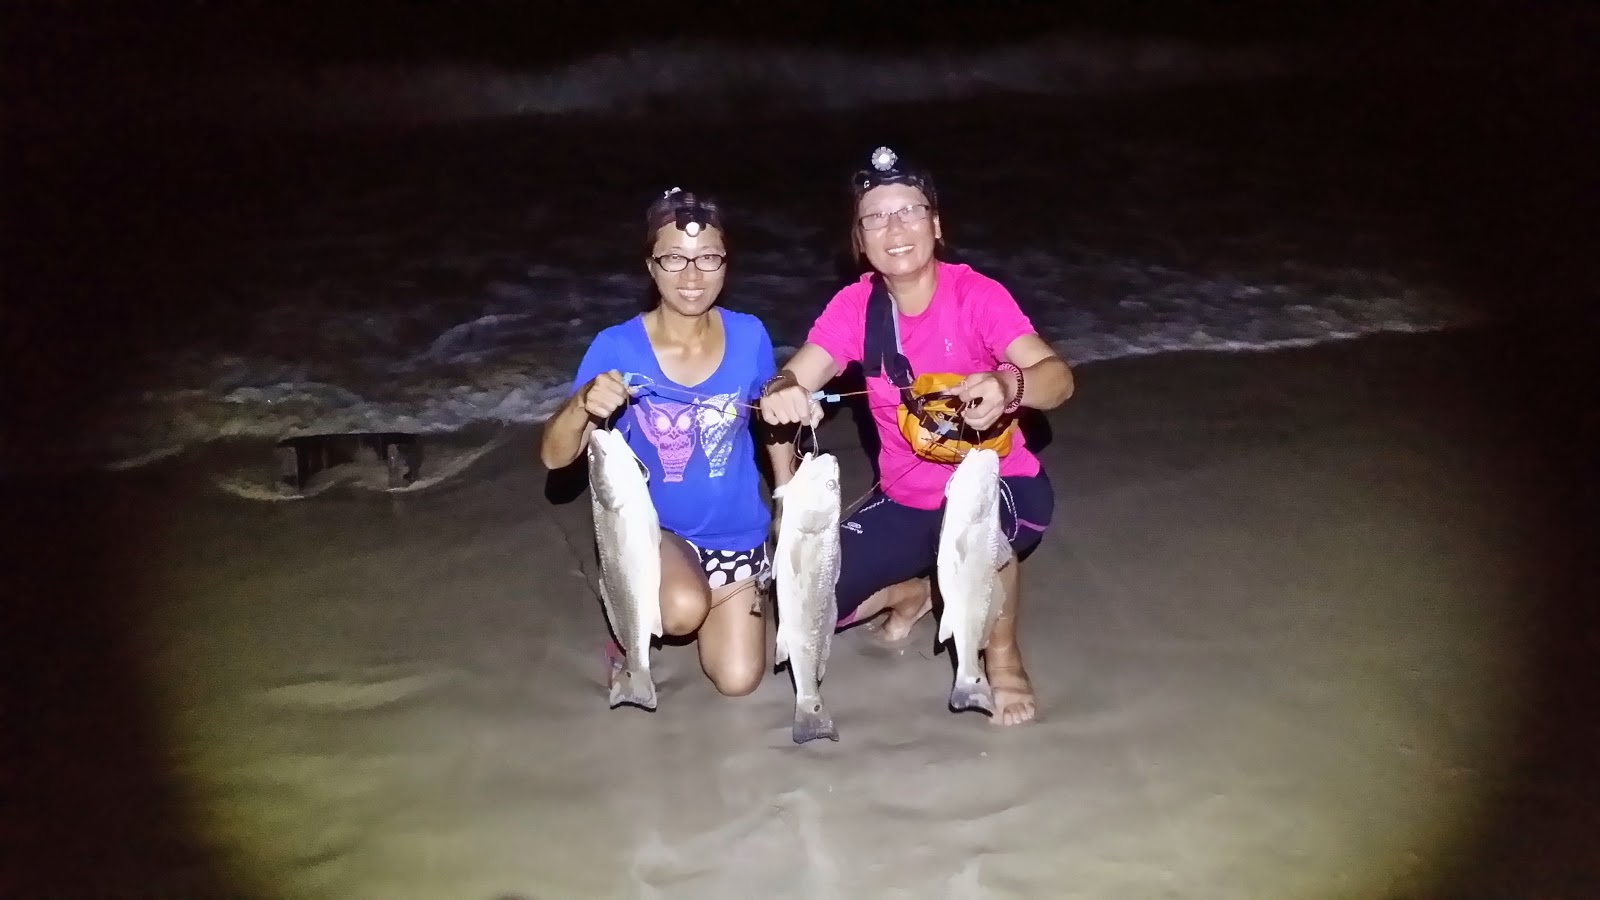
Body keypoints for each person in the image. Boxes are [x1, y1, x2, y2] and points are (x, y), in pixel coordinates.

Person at [760, 147, 1075, 726]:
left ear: (936, 225)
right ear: (860, 241)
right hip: (907, 500)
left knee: (981, 528)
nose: (895, 228)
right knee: (809, 603)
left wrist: (1008, 384)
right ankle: (918, 592)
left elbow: (1057, 379)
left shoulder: (977, 295)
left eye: (909, 211)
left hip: (1003, 488)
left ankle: (1002, 658)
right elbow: (792, 377)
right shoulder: (855, 307)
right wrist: (783, 391)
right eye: (875, 218)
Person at [541, 188, 794, 698]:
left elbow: (772, 418)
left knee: (739, 680)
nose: (692, 276)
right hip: (653, 531)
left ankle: (712, 593)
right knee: (681, 610)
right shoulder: (617, 345)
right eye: (674, 258)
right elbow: (554, 456)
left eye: (708, 258)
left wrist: (786, 497)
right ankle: (634, 621)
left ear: (726, 263)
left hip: (737, 535)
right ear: (650, 266)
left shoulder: (750, 335)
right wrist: (583, 402)